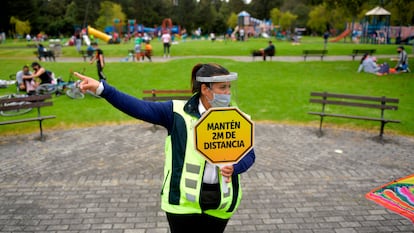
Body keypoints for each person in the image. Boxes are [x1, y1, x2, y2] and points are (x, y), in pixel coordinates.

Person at [74, 63, 255, 233]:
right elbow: (139, 107)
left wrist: (235, 168)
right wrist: (102, 89)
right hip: (182, 204)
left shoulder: (235, 116)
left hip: (221, 203)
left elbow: (249, 155)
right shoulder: (176, 112)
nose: (228, 92)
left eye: (229, 87)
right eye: (222, 88)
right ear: (205, 89)